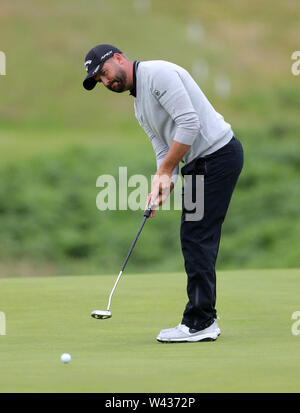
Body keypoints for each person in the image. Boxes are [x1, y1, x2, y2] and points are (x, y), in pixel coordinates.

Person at [83, 44, 244, 343]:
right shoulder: (138, 106)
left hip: (218, 156)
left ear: (119, 59)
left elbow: (189, 123)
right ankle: (202, 317)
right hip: (198, 164)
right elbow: (162, 146)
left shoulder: (159, 74)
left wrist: (166, 169)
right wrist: (163, 179)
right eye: (99, 81)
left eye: (104, 73)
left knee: (197, 235)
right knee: (194, 236)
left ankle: (201, 321)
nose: (106, 82)